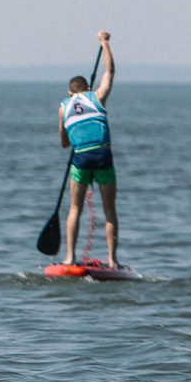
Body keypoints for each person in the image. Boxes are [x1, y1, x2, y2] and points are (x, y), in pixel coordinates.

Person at [56, 30, 119, 267]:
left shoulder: (63, 106)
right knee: (109, 210)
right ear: (88, 89)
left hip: (81, 158)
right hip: (102, 155)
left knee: (75, 208)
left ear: (70, 92)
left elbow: (64, 142)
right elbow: (110, 72)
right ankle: (113, 260)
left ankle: (70, 257)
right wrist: (104, 43)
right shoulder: (98, 95)